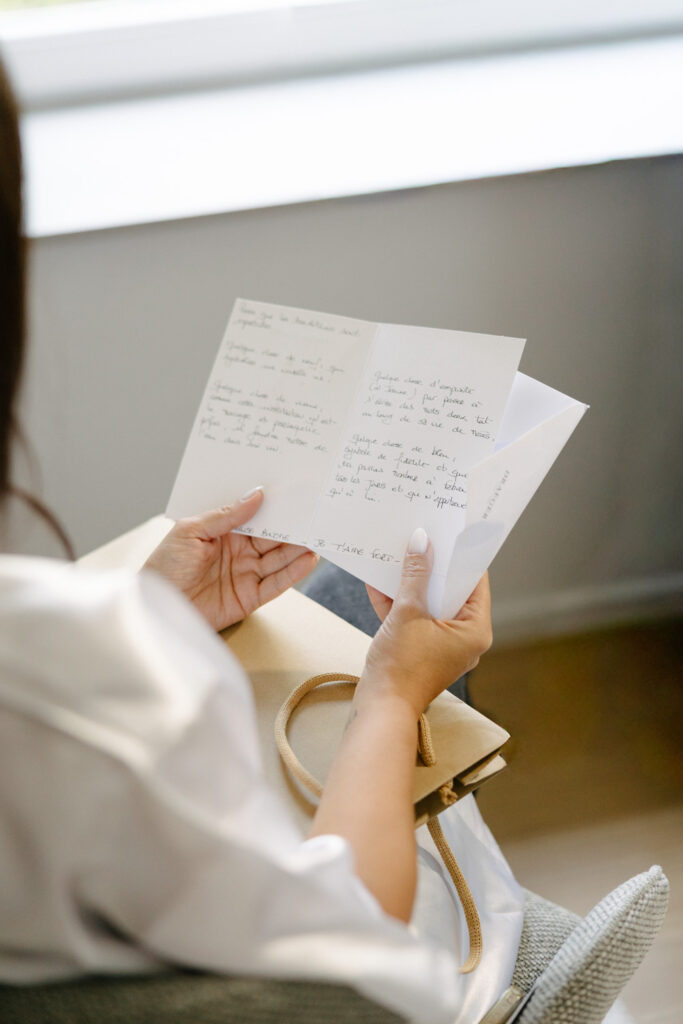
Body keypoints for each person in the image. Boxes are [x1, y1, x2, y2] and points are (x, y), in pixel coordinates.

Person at [0, 59, 523, 1023]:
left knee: (330, 597)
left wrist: (155, 614)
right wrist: (393, 691)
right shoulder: (55, 669)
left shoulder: (60, 651)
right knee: (380, 633)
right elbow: (353, 952)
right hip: (343, 987)